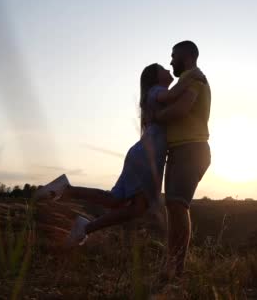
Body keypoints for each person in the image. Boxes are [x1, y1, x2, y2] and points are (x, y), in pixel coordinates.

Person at [36, 63, 204, 246]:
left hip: (141, 156)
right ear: (155, 77)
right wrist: (193, 76)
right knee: (135, 208)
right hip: (146, 159)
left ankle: (71, 200)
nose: (168, 69)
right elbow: (173, 95)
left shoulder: (155, 96)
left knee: (116, 201)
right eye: (163, 69)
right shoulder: (156, 92)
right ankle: (82, 222)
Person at [156, 40, 211, 278]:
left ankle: (177, 270)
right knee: (174, 207)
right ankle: (172, 266)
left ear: (187, 56)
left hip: (191, 149)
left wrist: (155, 117)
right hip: (181, 150)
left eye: (173, 55)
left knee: (178, 206)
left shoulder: (196, 80)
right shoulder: (186, 80)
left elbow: (181, 109)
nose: (170, 61)